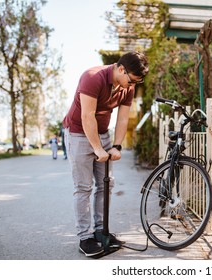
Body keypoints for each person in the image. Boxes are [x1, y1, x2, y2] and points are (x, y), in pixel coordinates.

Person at [62, 51, 149, 257]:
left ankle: (101, 231)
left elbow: (122, 119)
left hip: (102, 133)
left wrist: (116, 146)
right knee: (83, 187)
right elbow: (87, 116)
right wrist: (98, 148)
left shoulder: (127, 86)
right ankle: (85, 238)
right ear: (121, 69)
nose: (131, 86)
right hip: (78, 133)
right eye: (131, 80)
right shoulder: (92, 77)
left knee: (106, 184)